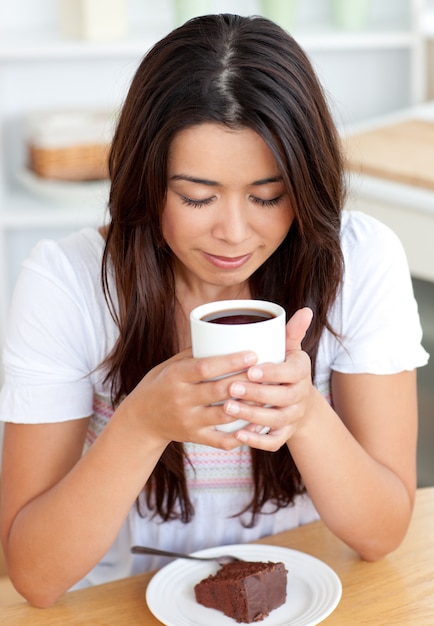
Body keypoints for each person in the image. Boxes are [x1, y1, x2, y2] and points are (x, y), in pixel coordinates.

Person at [0, 14, 429, 608]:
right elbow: (34, 575)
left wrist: (307, 416)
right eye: (197, 197)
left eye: (268, 196)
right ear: (145, 182)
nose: (233, 233)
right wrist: (140, 424)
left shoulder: (358, 262)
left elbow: (382, 534)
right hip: (126, 600)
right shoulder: (69, 284)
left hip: (314, 595)